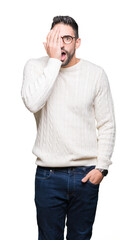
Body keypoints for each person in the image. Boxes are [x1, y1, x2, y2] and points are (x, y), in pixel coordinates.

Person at [21, 15, 116, 240]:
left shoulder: (95, 74)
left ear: (77, 42)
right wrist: (54, 61)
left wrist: (101, 168)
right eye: (56, 38)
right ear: (48, 40)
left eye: (67, 38)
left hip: (85, 175)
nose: (61, 43)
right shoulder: (35, 67)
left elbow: (107, 124)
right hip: (48, 176)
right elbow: (33, 103)